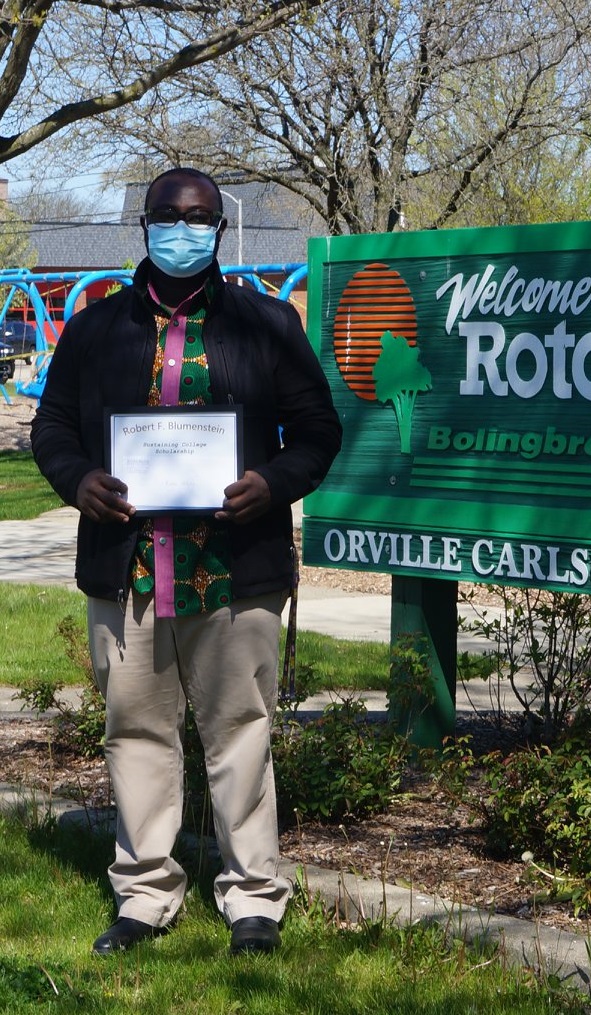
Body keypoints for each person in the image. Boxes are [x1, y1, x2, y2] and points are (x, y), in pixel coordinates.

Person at [31, 168, 342, 956]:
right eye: (169, 215)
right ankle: (144, 893)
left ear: (217, 229)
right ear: (143, 223)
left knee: (240, 730)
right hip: (127, 565)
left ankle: (253, 900)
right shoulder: (95, 329)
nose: (184, 229)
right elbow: (53, 429)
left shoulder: (268, 323)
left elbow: (316, 434)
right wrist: (80, 482)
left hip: (238, 565)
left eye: (199, 217)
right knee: (135, 730)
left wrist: (270, 483)